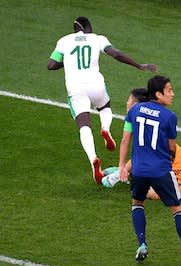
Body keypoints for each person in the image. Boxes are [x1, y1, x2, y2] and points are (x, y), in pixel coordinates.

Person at [47, 16, 157, 184]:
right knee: (105, 107)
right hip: (96, 84)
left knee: (84, 125)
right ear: (88, 27)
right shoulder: (97, 39)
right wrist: (139, 66)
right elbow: (117, 54)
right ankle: (105, 128)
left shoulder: (63, 41)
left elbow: (51, 65)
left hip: (76, 89)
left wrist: (69, 61)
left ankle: (93, 159)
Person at [119, 76, 181, 266]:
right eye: (169, 90)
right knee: (177, 209)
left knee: (137, 203)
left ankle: (142, 244)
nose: (173, 94)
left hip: (138, 169)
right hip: (161, 170)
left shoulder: (134, 110)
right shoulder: (169, 116)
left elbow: (125, 141)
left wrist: (122, 166)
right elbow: (172, 147)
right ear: (158, 94)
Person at [101, 88, 181, 198]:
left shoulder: (148, 125)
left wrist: (115, 177)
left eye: (130, 101)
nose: (127, 103)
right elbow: (126, 142)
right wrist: (121, 169)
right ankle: (125, 171)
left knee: (150, 193)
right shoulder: (133, 118)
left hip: (177, 166)